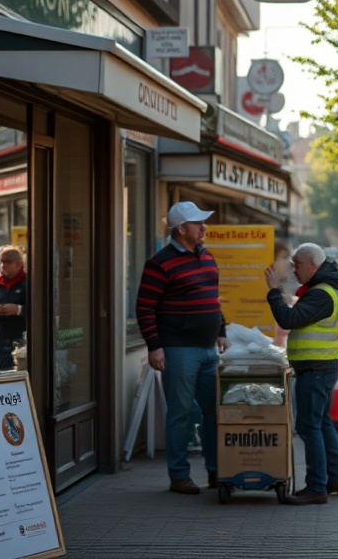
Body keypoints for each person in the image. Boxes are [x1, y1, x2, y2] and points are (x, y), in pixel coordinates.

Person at [136, 201, 228, 496]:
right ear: (180, 229)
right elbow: (145, 307)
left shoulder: (207, 256)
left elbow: (213, 298)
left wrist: (221, 329)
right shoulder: (159, 263)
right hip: (178, 349)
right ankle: (179, 476)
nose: (204, 227)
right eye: (197, 223)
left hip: (208, 349)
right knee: (181, 412)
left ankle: (216, 471)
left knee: (214, 411)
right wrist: (155, 347)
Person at [264, 243, 338, 505]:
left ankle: (316, 487)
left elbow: (289, 320)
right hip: (319, 369)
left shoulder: (321, 294)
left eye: (296, 264)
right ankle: (335, 479)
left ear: (312, 266)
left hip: (316, 370)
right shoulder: (322, 290)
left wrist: (274, 292)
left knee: (309, 426)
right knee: (321, 423)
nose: (293, 269)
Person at [0, 245, 27, 371]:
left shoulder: (28, 282)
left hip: (21, 341)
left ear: (19, 264)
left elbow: (40, 310)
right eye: (1, 262)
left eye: (7, 262)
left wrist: (18, 310)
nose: (2, 266)